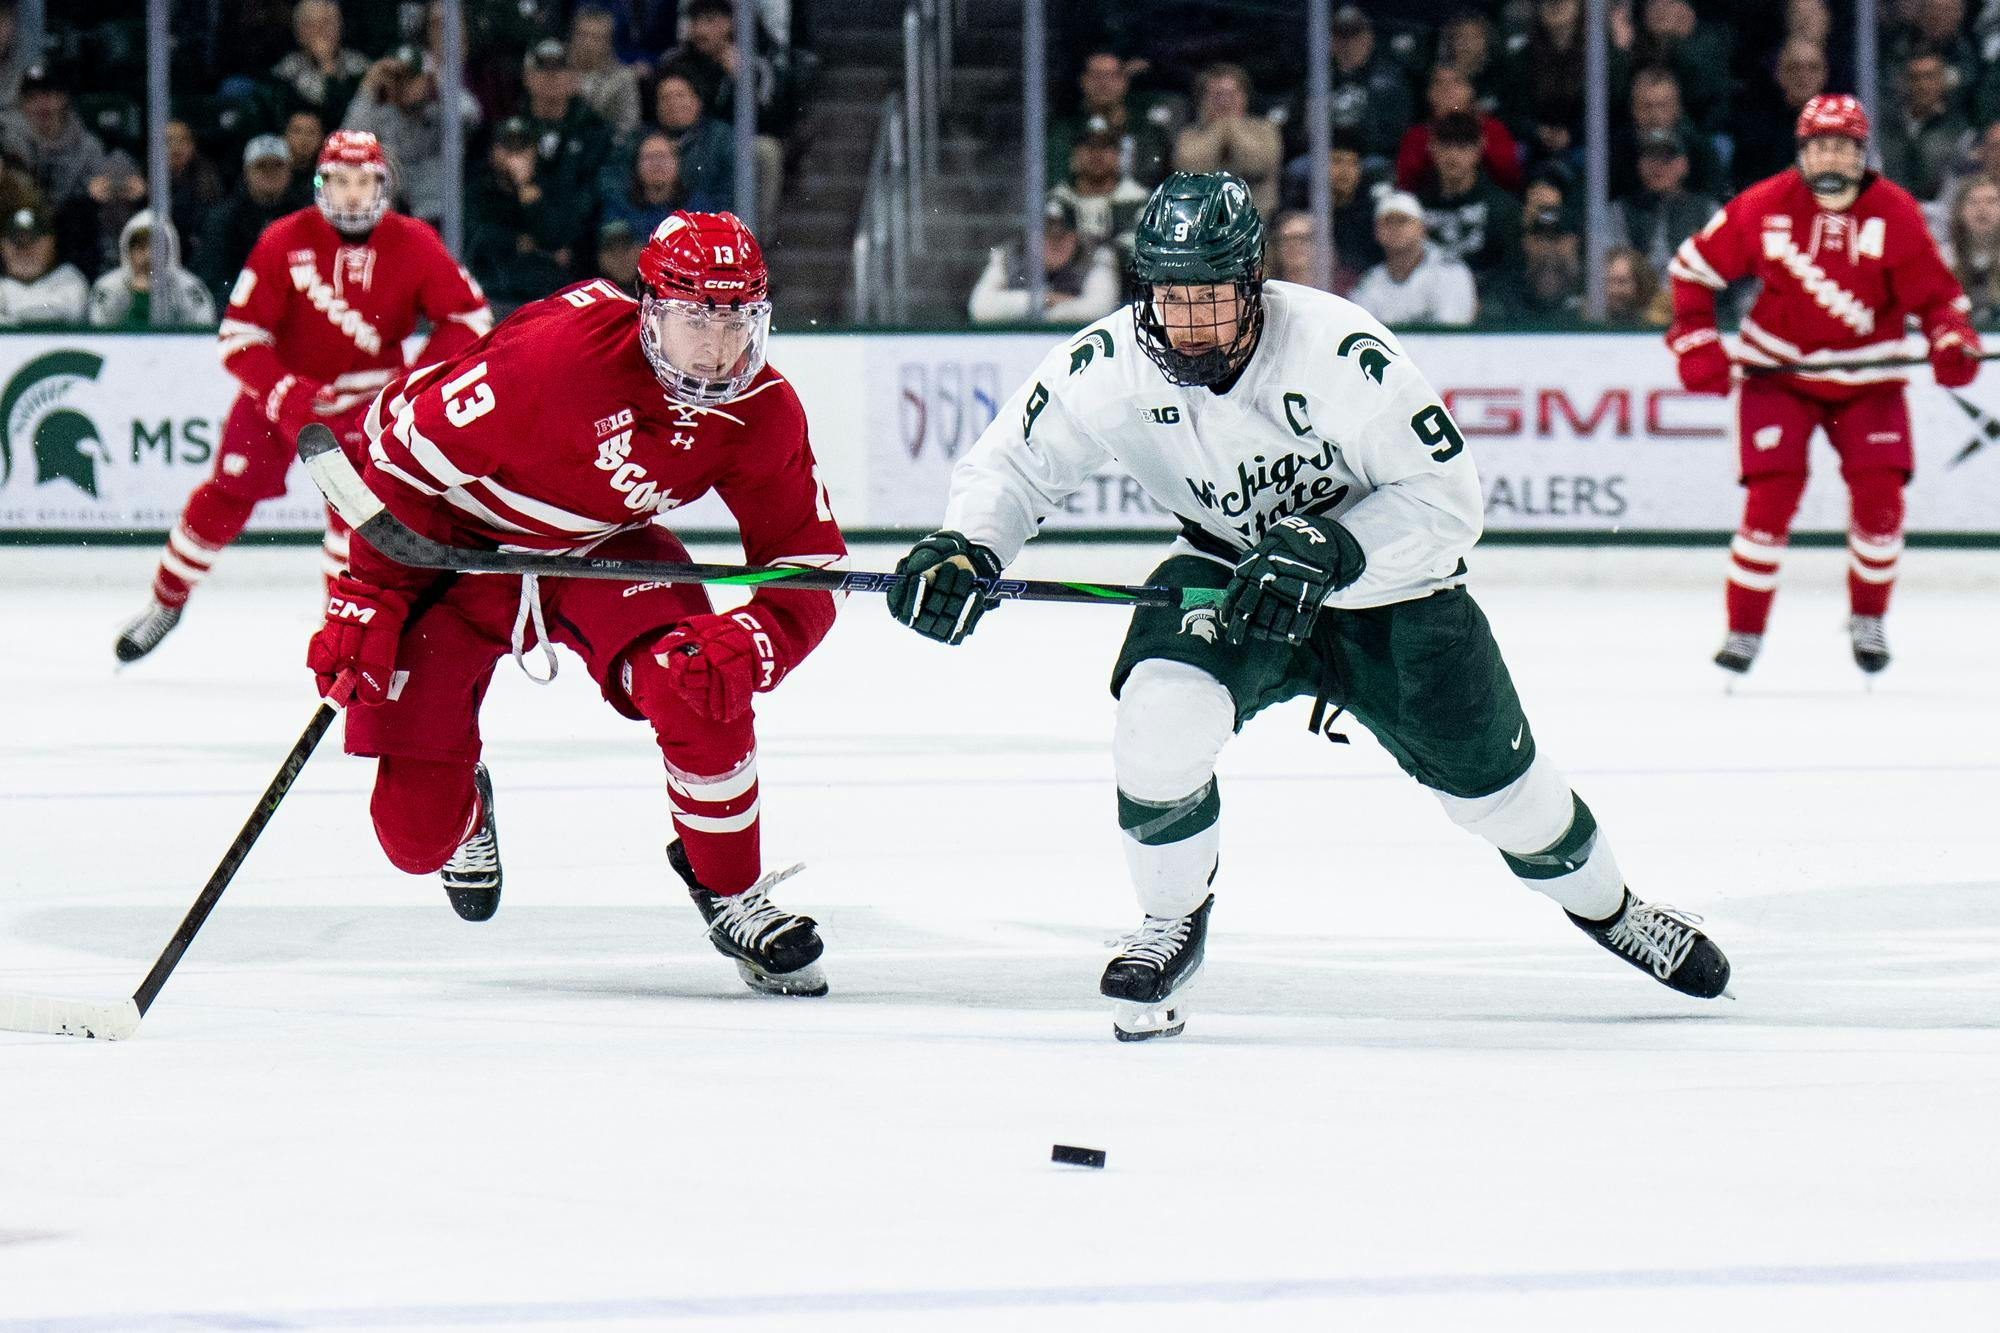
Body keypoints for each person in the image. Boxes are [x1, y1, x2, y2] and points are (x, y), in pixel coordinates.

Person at [888, 171, 1730, 1041]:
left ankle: (1614, 908)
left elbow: (1448, 500)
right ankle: (1171, 919)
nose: (1189, 324)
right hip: (1231, 572)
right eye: (1171, 298)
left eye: (1211, 299)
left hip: (1392, 589)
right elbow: (1015, 464)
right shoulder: (1109, 365)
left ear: (1253, 285)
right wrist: (968, 546)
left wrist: (1339, 546)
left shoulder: (1338, 352)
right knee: (1158, 719)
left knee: (1505, 796)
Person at [307, 211, 844, 997]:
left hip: (604, 552)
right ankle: (466, 808)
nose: (720, 348)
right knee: (413, 837)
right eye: (698, 319)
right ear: (650, 309)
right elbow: (395, 458)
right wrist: (370, 596)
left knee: (700, 677)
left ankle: (728, 885)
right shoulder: (553, 361)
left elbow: (810, 561)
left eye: (738, 321)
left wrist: (759, 638)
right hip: (464, 555)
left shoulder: (760, 407)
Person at [114, 131, 492, 664]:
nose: (353, 195)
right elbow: (238, 338)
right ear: (320, 185)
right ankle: (165, 601)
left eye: (363, 182)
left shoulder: (415, 242)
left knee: (355, 517)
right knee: (227, 494)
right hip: (280, 398)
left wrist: (410, 384)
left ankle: (342, 632)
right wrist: (283, 389)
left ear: (383, 186)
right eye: (340, 182)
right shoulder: (283, 239)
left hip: (369, 406)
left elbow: (469, 319)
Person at [1667, 95, 1980, 677]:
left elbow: (1937, 298)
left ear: (1863, 154)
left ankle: (1869, 619)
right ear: (1802, 152)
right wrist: (1697, 342)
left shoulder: (1895, 212)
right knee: (1769, 503)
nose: (1832, 157)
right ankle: (1744, 629)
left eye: (1844, 146)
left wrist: (1950, 338)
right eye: (1821, 146)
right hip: (1778, 376)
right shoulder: (1764, 205)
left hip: (1870, 380)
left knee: (1881, 505)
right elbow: (1692, 270)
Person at [342, 44, 482, 227]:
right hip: (390, 218)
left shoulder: (441, 112)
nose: (405, 85)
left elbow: (472, 115)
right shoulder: (378, 114)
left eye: (412, 78)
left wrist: (438, 80)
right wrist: (367, 89)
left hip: (438, 217)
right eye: (397, 78)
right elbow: (347, 145)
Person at [968, 196, 1120, 324]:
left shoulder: (1096, 255)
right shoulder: (1009, 255)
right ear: (1031, 236)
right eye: (1047, 234)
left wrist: (1043, 313)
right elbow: (981, 308)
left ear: (1076, 236)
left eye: (1062, 235)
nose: (1055, 242)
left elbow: (1100, 309)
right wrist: (1044, 300)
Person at [196, 135, 310, 306]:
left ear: (289, 171)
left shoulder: (304, 217)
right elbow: (214, 275)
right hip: (239, 305)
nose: (270, 172)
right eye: (261, 166)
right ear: (247, 171)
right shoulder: (225, 218)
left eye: (277, 165)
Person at [1350, 189, 1475, 326]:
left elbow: (1451, 328)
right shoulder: (1370, 281)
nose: (1394, 228)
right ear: (1376, 232)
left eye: (1403, 220)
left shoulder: (1450, 271)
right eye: (1387, 221)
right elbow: (1361, 328)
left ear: (1422, 228)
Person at [1172, 63, 1281, 213]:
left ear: (1244, 97)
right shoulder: (1189, 135)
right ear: (1203, 100)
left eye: (1232, 95)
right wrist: (1218, 129)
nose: (1225, 101)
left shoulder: (1264, 129)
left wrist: (1232, 126)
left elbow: (1257, 164)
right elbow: (1191, 171)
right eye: (1217, 95)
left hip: (1256, 215)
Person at [85, 211, 214, 328]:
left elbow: (202, 335)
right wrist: (140, 296)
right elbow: (100, 336)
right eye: (140, 247)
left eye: (157, 248)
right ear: (127, 251)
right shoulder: (108, 288)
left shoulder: (190, 289)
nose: (148, 256)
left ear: (170, 250)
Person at [0, 201, 87, 324]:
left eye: (32, 241)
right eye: (17, 243)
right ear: (2, 246)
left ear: (51, 243)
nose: (25, 251)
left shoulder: (69, 279)